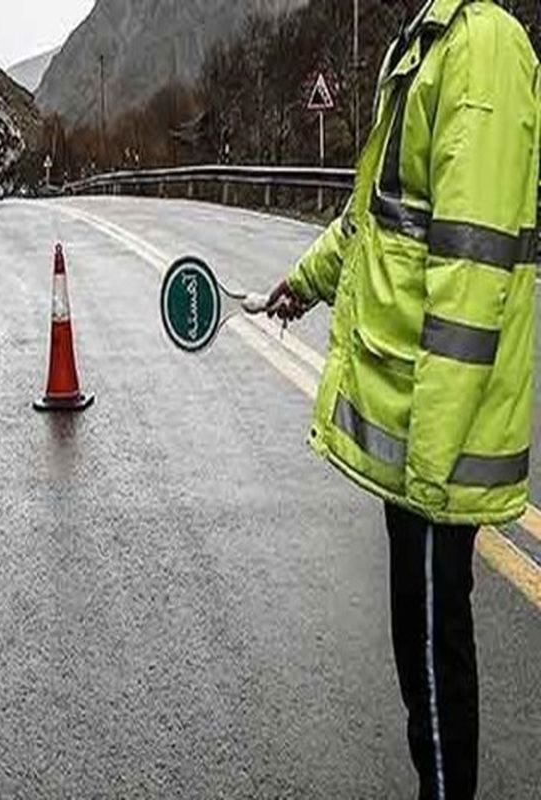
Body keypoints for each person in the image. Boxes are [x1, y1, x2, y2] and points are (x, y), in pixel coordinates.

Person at [266, 1, 539, 797]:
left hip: (435, 439)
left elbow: (472, 268)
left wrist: (430, 465)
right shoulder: (428, 40)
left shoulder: (481, 49)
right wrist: (305, 284)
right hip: (417, 428)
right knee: (418, 643)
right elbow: (373, 222)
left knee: (431, 649)